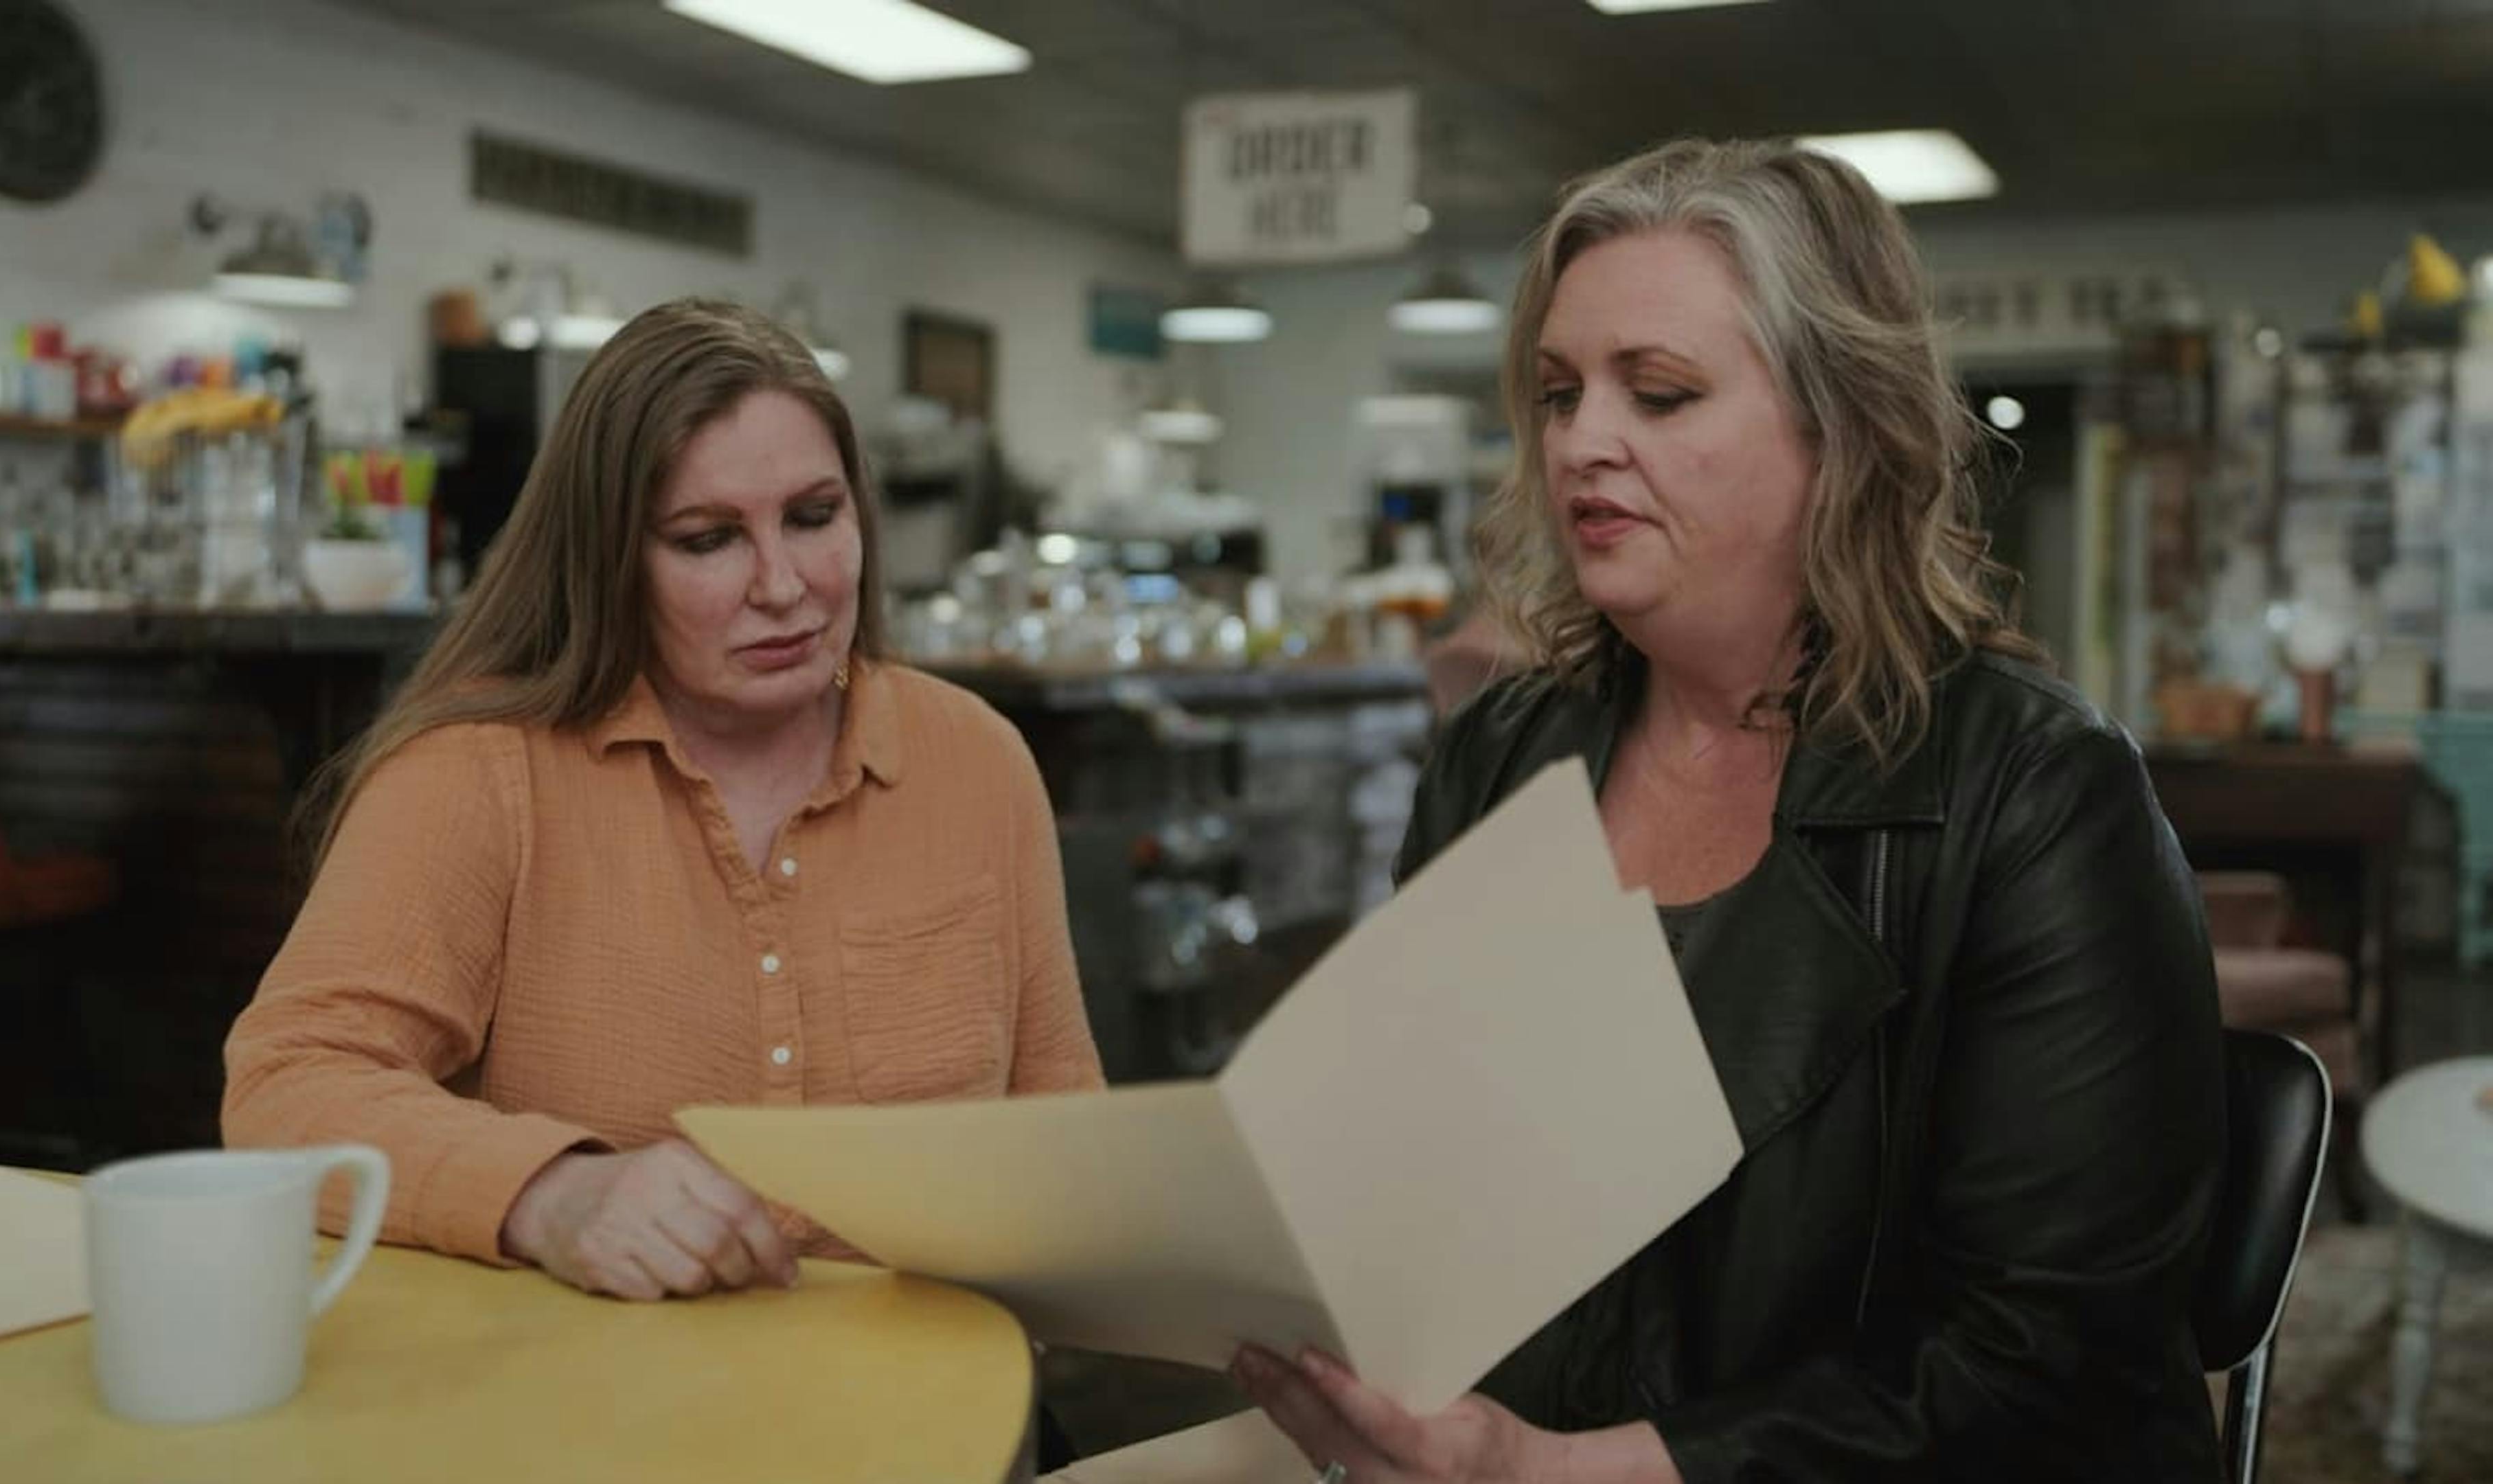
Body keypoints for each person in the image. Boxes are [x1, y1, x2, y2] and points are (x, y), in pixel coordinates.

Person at [1231, 139, 2226, 1482]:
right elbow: (1416, 1178)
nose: (1584, 441)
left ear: (1843, 425)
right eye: (1559, 392)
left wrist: (1551, 1470)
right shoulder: (1502, 750)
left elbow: (2045, 1365)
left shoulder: (2037, 793)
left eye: (1660, 393)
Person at [223, 299, 1102, 1303]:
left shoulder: (977, 761)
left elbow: (1067, 1127)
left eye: (814, 517)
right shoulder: (477, 771)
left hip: (955, 1419)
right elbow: (286, 1083)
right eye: (707, 538)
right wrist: (554, 1195)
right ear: (609, 562)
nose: (783, 584)